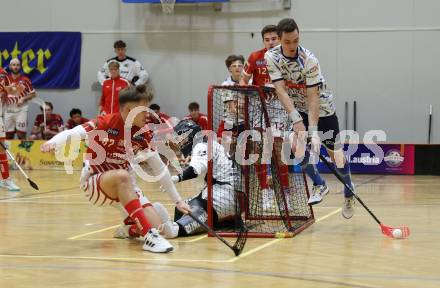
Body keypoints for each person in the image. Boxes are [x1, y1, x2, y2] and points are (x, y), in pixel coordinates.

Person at [41, 85, 191, 253]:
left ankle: (130, 228)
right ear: (128, 110)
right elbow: (75, 132)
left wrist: (178, 201)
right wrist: (53, 141)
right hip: (96, 183)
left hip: (127, 187)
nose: (148, 114)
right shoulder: (106, 122)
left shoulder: (143, 133)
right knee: (123, 176)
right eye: (144, 110)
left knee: (165, 231)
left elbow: (159, 168)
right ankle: (150, 236)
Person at [264, 18, 355, 218]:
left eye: (295, 41)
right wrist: (297, 120)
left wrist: (313, 132)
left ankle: (349, 192)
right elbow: (281, 90)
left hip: (322, 108)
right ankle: (319, 185)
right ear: (279, 40)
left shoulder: (309, 59)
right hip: (298, 107)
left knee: (336, 157)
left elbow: (313, 96)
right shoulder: (271, 57)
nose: (291, 46)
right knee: (294, 143)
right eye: (287, 42)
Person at [170, 120, 236, 236]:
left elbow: (195, 170)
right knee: (181, 207)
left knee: (190, 210)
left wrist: (175, 179)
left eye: (182, 138)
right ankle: (219, 222)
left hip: (223, 195)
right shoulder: (210, 143)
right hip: (228, 195)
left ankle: (175, 230)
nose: (180, 142)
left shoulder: (201, 145)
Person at [0, 67, 21, 191]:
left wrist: (9, 90)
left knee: (2, 150)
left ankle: (5, 179)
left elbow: (15, 91)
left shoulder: (3, 77)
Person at [5, 58, 36, 140]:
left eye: (18, 65)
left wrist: (23, 98)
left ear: (20, 66)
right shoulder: (4, 79)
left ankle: (23, 153)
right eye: (13, 65)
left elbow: (33, 94)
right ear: (10, 66)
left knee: (21, 134)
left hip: (21, 110)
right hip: (8, 110)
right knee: (8, 135)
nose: (16, 67)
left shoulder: (25, 80)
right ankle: (8, 153)